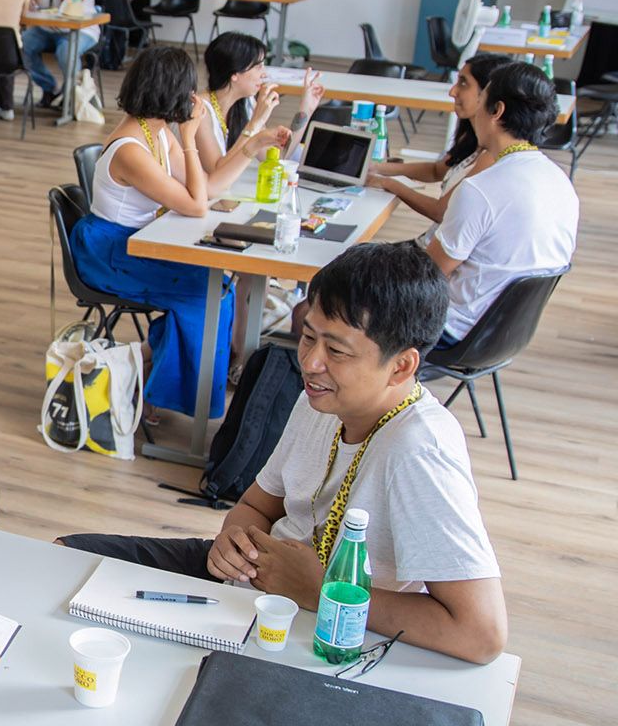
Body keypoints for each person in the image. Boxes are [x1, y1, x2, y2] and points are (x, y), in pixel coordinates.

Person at [60, 242, 509, 664]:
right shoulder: (321, 399)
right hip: (255, 585)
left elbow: (481, 634)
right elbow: (257, 504)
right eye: (309, 337)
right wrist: (234, 540)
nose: (310, 362)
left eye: (336, 350)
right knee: (66, 558)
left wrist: (317, 591)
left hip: (328, 630)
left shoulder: (419, 451)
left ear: (402, 366)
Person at [71, 46, 232, 420]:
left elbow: (200, 188)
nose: (195, 99)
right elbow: (195, 205)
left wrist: (186, 140)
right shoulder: (131, 146)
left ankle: (151, 370)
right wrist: (191, 138)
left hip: (136, 242)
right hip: (110, 250)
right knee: (208, 291)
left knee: (217, 285)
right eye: (190, 90)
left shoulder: (156, 131)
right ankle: (155, 384)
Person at [426, 61, 578, 345]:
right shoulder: (561, 182)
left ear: (497, 111)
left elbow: (427, 275)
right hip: (505, 336)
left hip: (451, 331)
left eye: (481, 101)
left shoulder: (480, 189)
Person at [367, 52, 514, 234]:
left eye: (463, 83)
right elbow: (437, 170)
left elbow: (441, 212)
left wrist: (387, 183)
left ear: (486, 93)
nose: (452, 91)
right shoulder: (469, 137)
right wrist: (377, 167)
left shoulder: (490, 157)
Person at [190, 32, 312, 195]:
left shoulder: (246, 102)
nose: (264, 74)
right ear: (234, 74)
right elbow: (216, 174)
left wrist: (306, 108)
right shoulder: (200, 109)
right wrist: (255, 122)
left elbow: (277, 156)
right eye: (258, 66)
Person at [21, 0, 98, 109]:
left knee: (66, 51)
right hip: (45, 28)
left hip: (80, 29)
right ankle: (49, 88)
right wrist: (29, 2)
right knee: (23, 45)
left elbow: (72, 0)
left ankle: (71, 98)